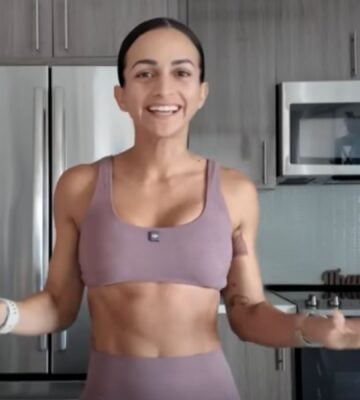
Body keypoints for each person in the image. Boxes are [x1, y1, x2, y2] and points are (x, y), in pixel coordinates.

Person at [1, 17, 360, 400]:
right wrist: (7, 315)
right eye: (144, 73)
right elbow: (58, 304)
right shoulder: (79, 186)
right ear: (121, 95)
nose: (164, 88)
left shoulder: (234, 191)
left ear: (201, 92)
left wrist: (311, 329)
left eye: (181, 72)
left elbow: (247, 310)